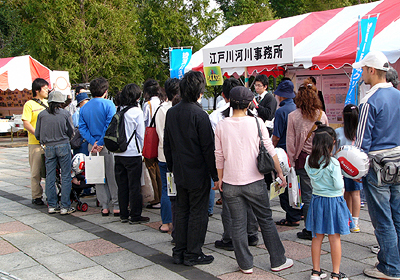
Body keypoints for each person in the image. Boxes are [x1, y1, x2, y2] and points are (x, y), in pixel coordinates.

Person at [215, 86, 293, 274]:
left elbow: (218, 155)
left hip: (231, 183)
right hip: (255, 182)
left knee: (238, 224)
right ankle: (277, 260)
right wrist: (280, 173)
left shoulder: (221, 125)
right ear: (250, 103)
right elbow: (270, 149)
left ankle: (245, 264)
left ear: (229, 102)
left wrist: (220, 180)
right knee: (265, 220)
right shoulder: (257, 122)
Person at [352, 51, 400, 279]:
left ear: (372, 70)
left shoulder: (369, 100)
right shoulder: (398, 95)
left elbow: (362, 143)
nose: (361, 73)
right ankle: (395, 262)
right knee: (397, 215)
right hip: (398, 161)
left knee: (382, 220)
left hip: (377, 165)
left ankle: (390, 267)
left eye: (363, 69)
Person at [164, 71, 218, 266]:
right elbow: (208, 149)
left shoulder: (173, 112)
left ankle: (179, 250)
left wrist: (171, 167)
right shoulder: (200, 115)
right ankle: (193, 252)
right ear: (199, 91)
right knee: (198, 212)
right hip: (198, 172)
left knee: (182, 210)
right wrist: (215, 175)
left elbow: (167, 144)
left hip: (179, 170)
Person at [210, 77, 259, 251]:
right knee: (250, 201)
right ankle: (251, 233)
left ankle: (230, 237)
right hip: (251, 166)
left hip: (229, 167)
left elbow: (217, 149)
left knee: (229, 204)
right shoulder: (252, 113)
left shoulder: (216, 116)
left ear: (223, 95)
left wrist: (218, 175)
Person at [305, 123, 352, 280]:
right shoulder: (333, 163)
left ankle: (316, 272)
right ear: (330, 144)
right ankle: (336, 273)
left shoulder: (308, 161)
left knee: (317, 237)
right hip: (333, 202)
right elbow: (338, 185)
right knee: (334, 237)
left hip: (317, 200)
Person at [286, 78, 329, 240]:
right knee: (321, 193)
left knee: (308, 195)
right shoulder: (321, 115)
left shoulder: (293, 116)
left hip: (303, 160)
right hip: (321, 159)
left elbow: (290, 141)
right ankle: (322, 225)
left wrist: (290, 162)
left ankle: (310, 228)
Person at [79, 77, 119, 217]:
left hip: (92, 146)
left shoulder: (84, 108)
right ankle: (116, 205)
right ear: (106, 91)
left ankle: (104, 206)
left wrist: (94, 142)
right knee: (111, 175)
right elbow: (110, 125)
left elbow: (82, 128)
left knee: (98, 177)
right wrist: (101, 142)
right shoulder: (109, 105)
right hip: (106, 145)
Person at [35, 91, 75, 215]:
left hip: (49, 147)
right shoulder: (65, 113)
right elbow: (71, 131)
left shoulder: (42, 115)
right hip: (63, 145)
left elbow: (37, 134)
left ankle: (52, 205)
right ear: (61, 102)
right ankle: (65, 206)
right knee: (66, 176)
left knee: (50, 177)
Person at [113, 84, 148, 224]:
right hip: (133, 153)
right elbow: (141, 134)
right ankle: (135, 215)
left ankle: (123, 214)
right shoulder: (137, 112)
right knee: (134, 186)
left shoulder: (119, 110)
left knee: (122, 185)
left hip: (118, 153)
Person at [271, 79, 301, 227]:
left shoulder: (281, 111)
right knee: (296, 183)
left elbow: (276, 136)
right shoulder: (298, 109)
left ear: (281, 96)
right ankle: (298, 211)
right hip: (298, 152)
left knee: (284, 184)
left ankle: (292, 215)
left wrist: (271, 150)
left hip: (283, 154)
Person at [155, 78, 180, 233]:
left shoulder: (161, 109)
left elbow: (160, 133)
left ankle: (166, 222)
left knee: (166, 188)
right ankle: (178, 222)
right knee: (178, 189)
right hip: (178, 156)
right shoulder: (179, 108)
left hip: (163, 154)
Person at [335, 104, 362, 233]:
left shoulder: (339, 132)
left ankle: (347, 218)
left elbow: (335, 151)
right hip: (357, 167)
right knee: (356, 193)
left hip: (343, 167)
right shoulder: (361, 131)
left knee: (346, 192)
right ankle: (355, 221)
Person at [22, 78, 49, 205]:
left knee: (50, 170)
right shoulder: (29, 105)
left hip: (49, 142)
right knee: (36, 171)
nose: (47, 90)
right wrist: (37, 134)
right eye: (44, 88)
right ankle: (37, 196)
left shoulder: (48, 103)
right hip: (35, 143)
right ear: (37, 90)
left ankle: (51, 194)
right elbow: (26, 123)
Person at [142, 79, 165, 209]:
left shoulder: (148, 105)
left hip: (151, 140)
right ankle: (162, 196)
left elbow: (145, 124)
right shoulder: (163, 102)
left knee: (151, 169)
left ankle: (155, 198)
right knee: (160, 169)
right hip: (161, 139)